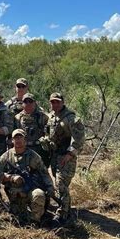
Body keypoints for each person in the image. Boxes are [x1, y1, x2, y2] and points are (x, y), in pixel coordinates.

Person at [40, 92, 85, 225]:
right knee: (59, 184)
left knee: (61, 184)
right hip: (55, 155)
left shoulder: (71, 118)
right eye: (53, 102)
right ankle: (64, 209)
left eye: (57, 101)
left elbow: (79, 139)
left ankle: (63, 214)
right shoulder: (52, 116)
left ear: (63, 102)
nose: (55, 104)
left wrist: (69, 154)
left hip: (66, 157)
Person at [0, 129, 54, 226]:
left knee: (39, 194)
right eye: (16, 138)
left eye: (20, 137)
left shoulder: (34, 156)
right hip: (14, 193)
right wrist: (10, 177)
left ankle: (34, 222)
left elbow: (44, 173)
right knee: (17, 220)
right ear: (12, 141)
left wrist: (50, 187)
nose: (18, 140)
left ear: (25, 140)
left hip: (30, 189)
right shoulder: (5, 156)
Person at [15, 93, 50, 167]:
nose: (28, 104)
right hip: (23, 149)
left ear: (35, 103)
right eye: (25, 102)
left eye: (30, 101)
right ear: (22, 104)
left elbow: (49, 133)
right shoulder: (17, 118)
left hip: (39, 149)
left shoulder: (43, 117)